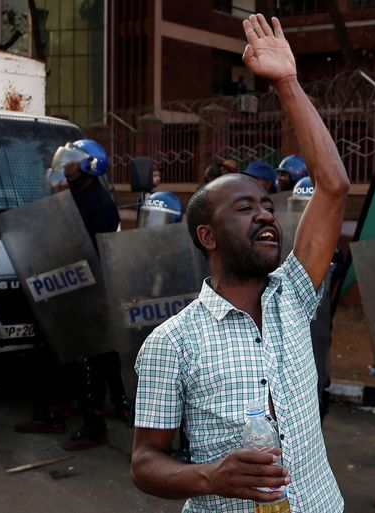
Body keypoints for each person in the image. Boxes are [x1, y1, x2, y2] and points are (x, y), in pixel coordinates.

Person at [130, 13, 348, 513]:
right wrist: (210, 476)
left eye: (267, 206)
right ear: (208, 235)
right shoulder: (172, 343)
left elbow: (333, 186)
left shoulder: (294, 296)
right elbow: (145, 461)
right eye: (245, 208)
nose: (265, 215)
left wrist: (288, 83)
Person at [16, 139, 129, 450]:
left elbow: (87, 252)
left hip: (86, 294)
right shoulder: (73, 196)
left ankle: (95, 426)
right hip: (60, 289)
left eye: (72, 161)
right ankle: (51, 412)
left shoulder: (100, 204)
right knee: (50, 355)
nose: (65, 167)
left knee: (89, 362)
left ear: (91, 166)